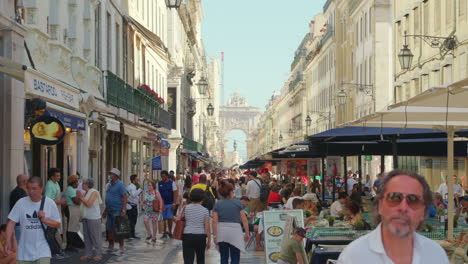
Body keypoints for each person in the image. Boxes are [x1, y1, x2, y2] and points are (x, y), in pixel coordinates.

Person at [337, 170, 449, 263]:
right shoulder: (353, 257)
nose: (403, 207)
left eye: (413, 200)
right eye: (394, 198)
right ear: (380, 205)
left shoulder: (436, 256)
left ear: (423, 211)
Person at [5, 176, 61, 264]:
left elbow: (57, 224)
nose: (31, 192)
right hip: (24, 252)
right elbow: (11, 222)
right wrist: (8, 240)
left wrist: (45, 220)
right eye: (28, 188)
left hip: (43, 251)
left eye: (34, 189)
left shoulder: (50, 203)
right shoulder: (21, 202)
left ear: (41, 189)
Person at [213, 180, 250, 264]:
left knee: (224, 257)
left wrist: (215, 235)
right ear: (230, 191)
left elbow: (214, 221)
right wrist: (247, 233)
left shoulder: (217, 204)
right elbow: (244, 219)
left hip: (221, 231)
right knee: (235, 257)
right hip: (235, 231)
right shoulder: (238, 203)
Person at [181, 188, 211, 264]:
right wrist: (209, 241)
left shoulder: (185, 208)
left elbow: (178, 219)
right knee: (200, 259)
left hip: (187, 235)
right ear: (202, 198)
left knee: (188, 260)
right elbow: (207, 227)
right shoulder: (205, 210)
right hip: (200, 236)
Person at [103, 168, 128, 254]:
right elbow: (108, 197)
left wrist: (123, 210)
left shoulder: (120, 184)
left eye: (112, 174)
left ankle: (121, 246)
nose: (110, 175)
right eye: (110, 174)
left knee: (119, 229)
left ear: (116, 176)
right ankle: (111, 246)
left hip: (117, 210)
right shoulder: (109, 185)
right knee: (109, 228)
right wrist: (105, 210)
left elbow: (125, 197)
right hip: (109, 210)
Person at [79, 178, 103, 261]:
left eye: (83, 184)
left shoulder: (94, 192)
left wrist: (81, 198)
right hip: (86, 217)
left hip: (93, 218)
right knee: (87, 237)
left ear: (86, 185)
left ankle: (98, 254)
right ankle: (88, 254)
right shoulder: (85, 192)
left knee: (95, 237)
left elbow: (88, 204)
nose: (81, 185)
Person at [44, 168, 66, 252]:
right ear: (52, 177)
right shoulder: (49, 185)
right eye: (57, 176)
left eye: (59, 175)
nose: (59, 177)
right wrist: (60, 201)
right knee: (54, 230)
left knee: (57, 229)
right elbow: (48, 199)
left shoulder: (56, 183)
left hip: (57, 209)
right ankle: (56, 249)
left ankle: (58, 248)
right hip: (52, 210)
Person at [63, 174, 83, 250]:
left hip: (74, 209)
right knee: (71, 227)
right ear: (73, 182)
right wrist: (80, 196)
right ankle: (69, 245)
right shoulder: (70, 189)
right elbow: (77, 201)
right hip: (71, 209)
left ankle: (73, 244)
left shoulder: (73, 189)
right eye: (76, 182)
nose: (78, 184)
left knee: (74, 226)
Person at [158, 170, 179, 239]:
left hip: (170, 203)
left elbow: (175, 193)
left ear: (167, 176)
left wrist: (174, 203)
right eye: (161, 176)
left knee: (170, 218)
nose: (162, 178)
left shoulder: (171, 183)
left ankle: (170, 232)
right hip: (163, 204)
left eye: (164, 176)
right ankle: (164, 232)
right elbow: (158, 194)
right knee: (164, 219)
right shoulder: (159, 183)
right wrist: (160, 204)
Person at [9, 174, 29, 242]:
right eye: (28, 181)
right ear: (24, 182)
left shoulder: (19, 192)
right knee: (20, 246)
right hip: (19, 225)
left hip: (20, 224)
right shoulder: (19, 193)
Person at [126, 174, 142, 239]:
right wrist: (140, 189)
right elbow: (133, 195)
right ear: (133, 180)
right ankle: (130, 235)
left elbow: (134, 196)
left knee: (133, 220)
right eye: (137, 179)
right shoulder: (132, 187)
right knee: (132, 220)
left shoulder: (132, 186)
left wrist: (139, 200)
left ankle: (132, 234)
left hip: (132, 205)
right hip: (131, 206)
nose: (138, 180)